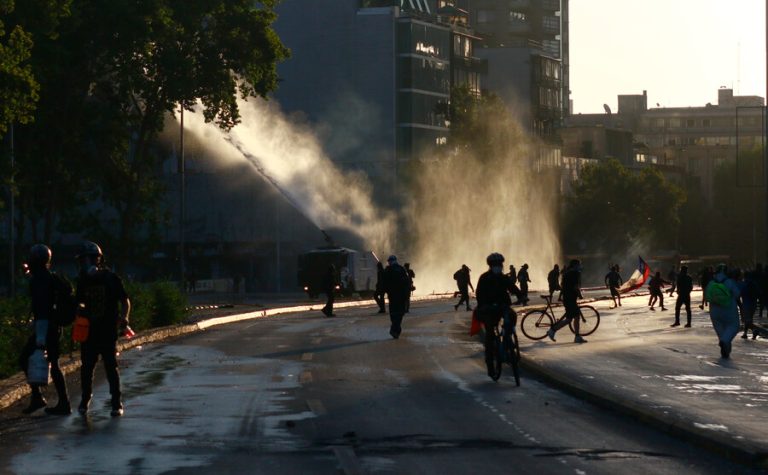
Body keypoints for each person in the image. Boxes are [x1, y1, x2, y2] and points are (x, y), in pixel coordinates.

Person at [75, 241, 131, 417]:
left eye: (88, 259)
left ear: (97, 259)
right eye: (83, 260)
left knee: (110, 367)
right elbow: (78, 302)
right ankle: (85, 400)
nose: (85, 264)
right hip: (89, 331)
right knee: (87, 368)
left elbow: (125, 300)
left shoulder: (111, 278)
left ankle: (116, 403)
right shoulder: (83, 280)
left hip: (107, 330)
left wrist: (124, 317)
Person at [18, 244, 72, 415]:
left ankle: (40, 397)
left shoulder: (39, 280)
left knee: (25, 358)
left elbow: (42, 309)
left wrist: (40, 336)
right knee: (54, 363)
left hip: (46, 328)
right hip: (54, 327)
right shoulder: (51, 277)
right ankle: (59, 401)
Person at [476, 253, 517, 378]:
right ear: (490, 266)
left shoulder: (503, 278)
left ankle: (507, 338)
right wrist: (483, 305)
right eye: (496, 265)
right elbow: (479, 294)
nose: (498, 267)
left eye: (500, 265)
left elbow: (513, 287)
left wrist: (522, 296)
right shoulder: (484, 278)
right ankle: (490, 364)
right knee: (490, 334)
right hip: (488, 309)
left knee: (512, 316)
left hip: (502, 307)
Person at [705, 264, 740, 358]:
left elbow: (707, 296)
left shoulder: (711, 283)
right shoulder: (730, 282)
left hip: (714, 311)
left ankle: (725, 349)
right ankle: (725, 343)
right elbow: (737, 294)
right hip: (729, 309)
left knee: (721, 331)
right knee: (734, 326)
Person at [547, 259, 586, 343]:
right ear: (575, 265)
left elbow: (563, 285)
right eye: (579, 264)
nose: (580, 266)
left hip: (567, 298)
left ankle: (553, 331)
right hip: (571, 299)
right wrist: (580, 295)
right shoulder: (575, 273)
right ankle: (553, 330)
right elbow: (576, 286)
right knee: (572, 318)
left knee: (571, 318)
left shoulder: (567, 273)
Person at [383, 255, 410, 339]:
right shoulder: (402, 269)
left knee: (393, 313)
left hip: (392, 296)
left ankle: (395, 329)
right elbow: (406, 281)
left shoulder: (388, 270)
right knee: (400, 313)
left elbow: (384, 282)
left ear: (390, 261)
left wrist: (385, 291)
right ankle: (396, 329)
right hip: (401, 295)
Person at [738, 268, 759, 339]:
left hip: (746, 304)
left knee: (747, 320)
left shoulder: (743, 284)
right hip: (753, 304)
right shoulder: (754, 283)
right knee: (750, 319)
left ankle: (754, 330)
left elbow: (739, 294)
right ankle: (745, 333)